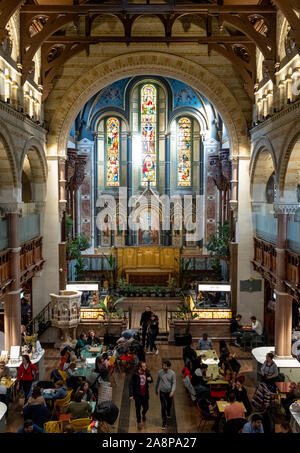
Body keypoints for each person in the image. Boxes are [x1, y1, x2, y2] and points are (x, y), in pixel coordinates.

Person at [129, 361, 153, 430]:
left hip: (145, 394)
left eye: (145, 366)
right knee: (137, 409)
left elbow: (151, 380)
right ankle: (139, 422)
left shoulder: (147, 372)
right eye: (144, 366)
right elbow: (131, 384)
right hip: (137, 395)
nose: (145, 367)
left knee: (146, 407)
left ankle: (143, 413)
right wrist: (131, 395)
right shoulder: (135, 374)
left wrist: (150, 379)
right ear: (140, 367)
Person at [155, 360, 176, 430]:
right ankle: (164, 422)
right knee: (163, 406)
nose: (163, 367)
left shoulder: (172, 373)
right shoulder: (160, 372)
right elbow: (157, 381)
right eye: (163, 365)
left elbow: (174, 383)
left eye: (165, 365)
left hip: (169, 392)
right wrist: (156, 389)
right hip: (162, 392)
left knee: (169, 404)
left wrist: (172, 391)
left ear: (168, 366)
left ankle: (168, 412)